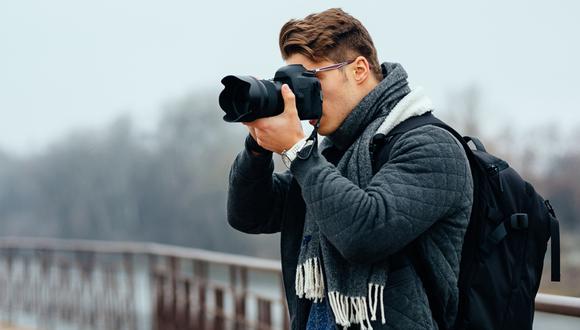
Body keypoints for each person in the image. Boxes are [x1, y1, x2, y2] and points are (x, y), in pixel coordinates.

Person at [227, 8, 473, 330]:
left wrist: (299, 152)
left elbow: (365, 232)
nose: (301, 97)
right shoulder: (332, 155)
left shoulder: (431, 146)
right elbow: (250, 213)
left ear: (358, 69)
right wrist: (258, 147)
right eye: (291, 83)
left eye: (310, 80)